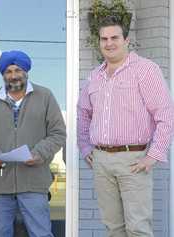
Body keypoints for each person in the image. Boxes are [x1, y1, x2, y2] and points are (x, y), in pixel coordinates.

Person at [77, 16, 174, 237]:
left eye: (114, 37)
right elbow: (83, 113)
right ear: (99, 42)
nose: (109, 43)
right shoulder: (94, 76)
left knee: (138, 228)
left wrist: (154, 154)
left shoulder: (145, 70)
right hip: (101, 161)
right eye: (104, 39)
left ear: (126, 40)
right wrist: (84, 147)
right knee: (113, 229)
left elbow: (166, 113)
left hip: (134, 160)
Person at [0, 50, 66, 237]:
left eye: (18, 70)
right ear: (3, 75)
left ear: (26, 71)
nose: (13, 75)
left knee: (41, 234)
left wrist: (38, 153)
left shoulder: (45, 96)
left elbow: (58, 133)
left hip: (33, 182)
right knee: (0, 234)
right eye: (8, 71)